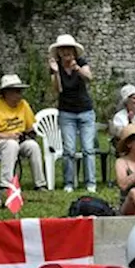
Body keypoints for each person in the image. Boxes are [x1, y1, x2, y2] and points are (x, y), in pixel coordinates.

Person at [48, 34, 98, 193]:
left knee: (88, 149)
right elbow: (58, 90)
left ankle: (90, 183)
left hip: (85, 111)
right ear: (58, 52)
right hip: (66, 112)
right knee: (69, 150)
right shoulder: (55, 66)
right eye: (62, 50)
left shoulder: (81, 63)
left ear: (74, 51)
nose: (66, 52)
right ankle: (68, 183)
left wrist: (77, 68)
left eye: (69, 49)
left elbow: (89, 78)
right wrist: (56, 73)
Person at [0, 74, 46, 191]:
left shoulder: (23, 104)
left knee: (33, 146)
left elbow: (29, 128)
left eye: (20, 91)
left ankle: (40, 183)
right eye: (16, 91)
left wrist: (29, 135)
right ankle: (5, 184)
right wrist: (6, 136)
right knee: (11, 144)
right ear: (6, 92)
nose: (19, 94)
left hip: (18, 140)